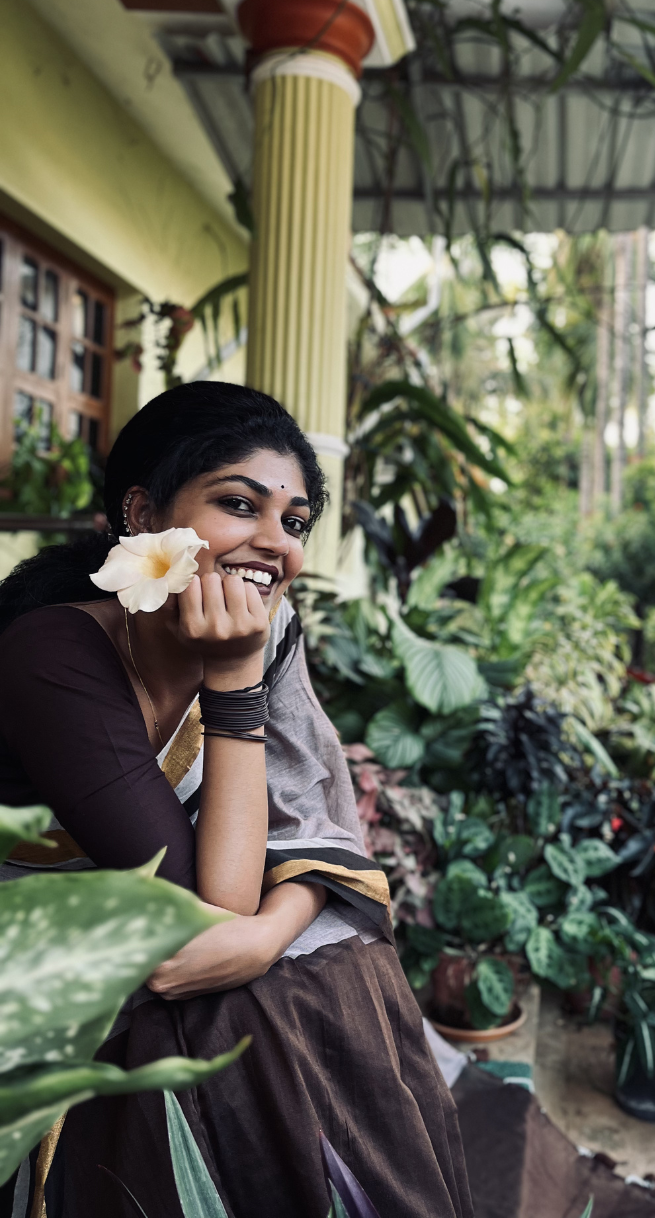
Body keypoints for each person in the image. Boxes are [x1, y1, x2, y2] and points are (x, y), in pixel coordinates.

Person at [0, 382, 473, 1218]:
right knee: (251, 1007)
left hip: (177, 930)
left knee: (330, 960)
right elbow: (206, 910)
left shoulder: (263, 630)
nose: (272, 543)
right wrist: (233, 682)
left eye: (293, 522)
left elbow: (312, 826)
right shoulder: (54, 652)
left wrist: (266, 935)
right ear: (142, 514)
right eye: (238, 503)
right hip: (42, 954)